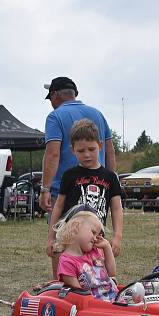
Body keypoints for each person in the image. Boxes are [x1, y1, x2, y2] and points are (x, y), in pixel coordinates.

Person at [46, 119, 123, 276]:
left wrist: (117, 236)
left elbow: (116, 208)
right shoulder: (69, 175)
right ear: (72, 149)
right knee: (66, 276)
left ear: (100, 146)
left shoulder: (110, 177)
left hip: (96, 239)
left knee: (97, 277)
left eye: (91, 149)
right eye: (81, 151)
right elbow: (59, 205)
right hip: (70, 240)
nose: (87, 154)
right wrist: (51, 237)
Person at [38, 77, 116, 218]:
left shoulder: (54, 117)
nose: (50, 103)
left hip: (65, 191)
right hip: (98, 189)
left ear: (55, 95)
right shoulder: (98, 114)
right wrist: (111, 187)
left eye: (50, 98)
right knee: (94, 237)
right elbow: (110, 152)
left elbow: (52, 154)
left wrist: (45, 189)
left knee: (63, 236)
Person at [54, 207, 118, 302]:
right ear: (76, 227)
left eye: (98, 235)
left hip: (114, 297)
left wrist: (107, 247)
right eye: (93, 232)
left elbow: (112, 273)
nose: (96, 238)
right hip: (94, 306)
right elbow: (78, 294)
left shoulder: (94, 252)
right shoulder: (67, 262)